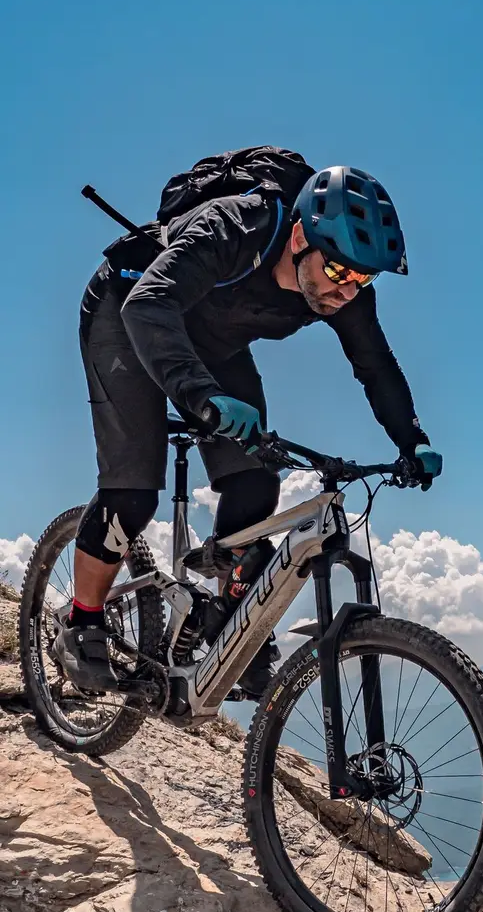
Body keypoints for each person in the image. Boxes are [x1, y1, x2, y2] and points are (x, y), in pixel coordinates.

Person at [55, 165, 442, 696]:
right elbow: (148, 304)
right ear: (301, 236)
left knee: (256, 483)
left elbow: (375, 363)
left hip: (214, 342)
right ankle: (82, 622)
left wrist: (411, 439)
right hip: (128, 310)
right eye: (338, 271)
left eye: (364, 278)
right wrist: (203, 397)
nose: (348, 290)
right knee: (133, 492)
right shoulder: (236, 228)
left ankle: (225, 610)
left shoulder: (344, 286)